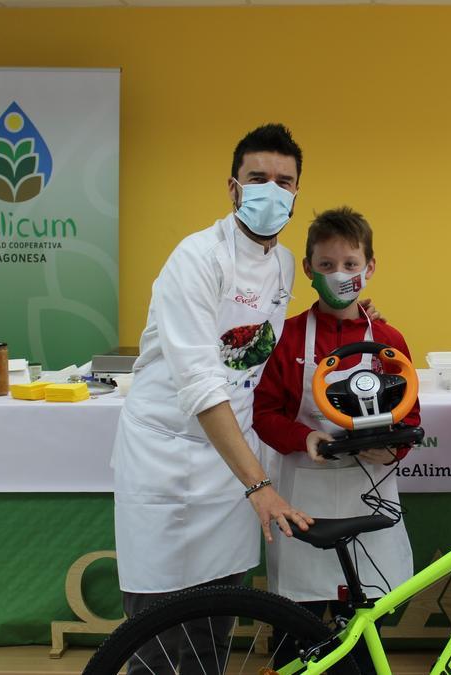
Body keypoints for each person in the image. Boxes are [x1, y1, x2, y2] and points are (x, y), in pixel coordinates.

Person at [111, 123, 315, 673]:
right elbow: (201, 381)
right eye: (257, 178)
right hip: (168, 452)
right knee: (155, 628)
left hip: (232, 459)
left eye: (284, 181)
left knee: (218, 616)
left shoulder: (285, 264)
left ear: (296, 193)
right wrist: (261, 485)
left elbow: (257, 359)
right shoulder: (195, 258)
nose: (271, 190)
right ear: (233, 188)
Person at [253, 207, 419, 674]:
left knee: (363, 634)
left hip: (370, 495)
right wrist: (303, 436)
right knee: (295, 631)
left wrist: (393, 447)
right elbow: (264, 413)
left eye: (350, 264)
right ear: (308, 269)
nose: (340, 275)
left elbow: (411, 414)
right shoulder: (287, 337)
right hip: (302, 496)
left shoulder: (387, 339)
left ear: (370, 267)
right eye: (327, 265)